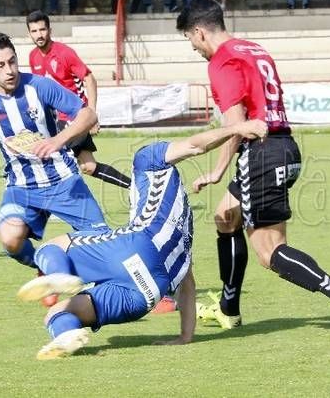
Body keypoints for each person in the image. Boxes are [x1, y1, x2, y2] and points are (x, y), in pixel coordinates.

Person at [176, 0, 330, 338]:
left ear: (200, 32)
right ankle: (228, 309)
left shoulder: (221, 62)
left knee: (269, 251)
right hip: (285, 147)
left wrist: (219, 169)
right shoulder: (253, 49)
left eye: (191, 40)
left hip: (261, 154)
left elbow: (237, 125)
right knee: (225, 216)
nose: (194, 49)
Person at [16, 119, 268, 360]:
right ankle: (67, 335)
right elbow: (187, 282)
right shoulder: (183, 221)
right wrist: (185, 336)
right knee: (57, 313)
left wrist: (238, 127)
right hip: (149, 293)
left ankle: (57, 275)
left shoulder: (147, 158)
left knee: (53, 246)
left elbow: (196, 145)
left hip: (137, 247)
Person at [0, 32, 109, 275]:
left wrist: (58, 140)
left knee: (104, 243)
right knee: (10, 238)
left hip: (64, 180)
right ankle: (45, 264)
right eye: (0, 65)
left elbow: (88, 114)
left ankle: (149, 288)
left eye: (12, 61)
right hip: (21, 187)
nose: (9, 70)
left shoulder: (39, 86)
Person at [26, 11, 132, 189]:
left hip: (72, 117)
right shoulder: (33, 56)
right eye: (34, 31)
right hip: (52, 120)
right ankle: (135, 187)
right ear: (29, 34)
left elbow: (89, 78)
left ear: (50, 30)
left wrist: (91, 114)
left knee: (51, 159)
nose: (39, 35)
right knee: (88, 167)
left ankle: (54, 204)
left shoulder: (64, 53)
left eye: (42, 30)